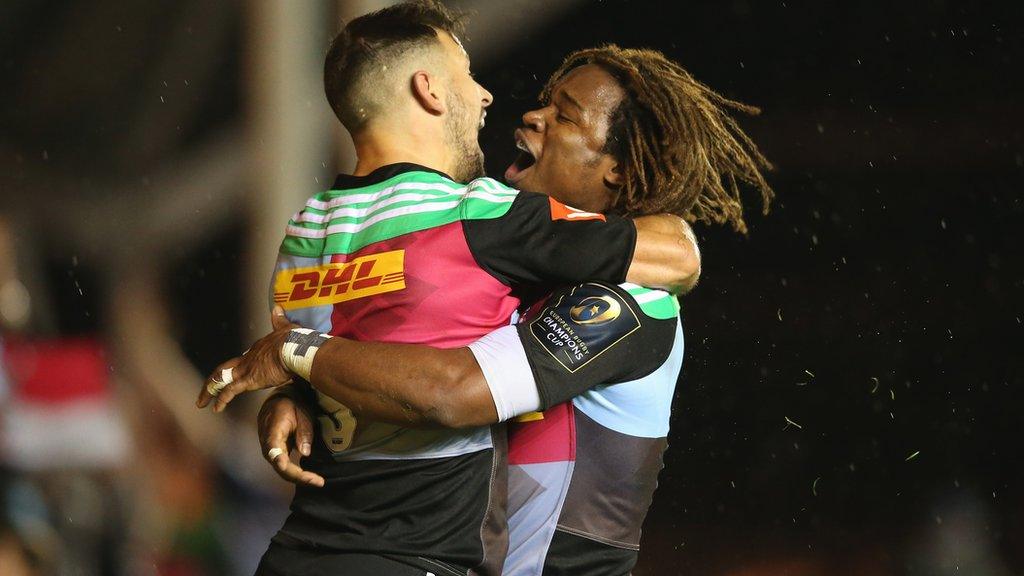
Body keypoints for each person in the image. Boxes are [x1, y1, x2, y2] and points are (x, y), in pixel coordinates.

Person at [203, 36, 772, 576]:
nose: (531, 116)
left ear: (617, 168)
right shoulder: (514, 277)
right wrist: (303, 390)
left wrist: (297, 355)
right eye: (544, 103)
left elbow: (453, 393)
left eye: (565, 116)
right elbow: (394, 361)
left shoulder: (630, 301)